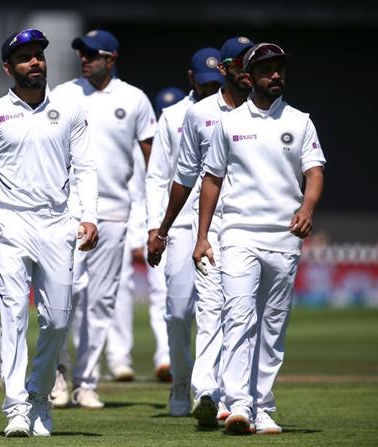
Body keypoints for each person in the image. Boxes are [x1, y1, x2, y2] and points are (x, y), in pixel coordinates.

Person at [0, 28, 98, 436]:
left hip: (57, 221)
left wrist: (89, 216)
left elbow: (84, 167)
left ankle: (39, 395)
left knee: (56, 320)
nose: (35, 62)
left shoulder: (69, 110)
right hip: (12, 221)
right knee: (13, 315)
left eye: (39, 56)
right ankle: (18, 406)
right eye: (25, 57)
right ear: (8, 68)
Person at [192, 42, 325, 434]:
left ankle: (263, 406)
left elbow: (314, 172)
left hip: (284, 237)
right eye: (267, 69)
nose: (276, 75)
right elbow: (211, 180)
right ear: (249, 77)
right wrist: (202, 236)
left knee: (272, 325)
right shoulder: (229, 125)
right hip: (238, 235)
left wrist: (307, 210)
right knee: (238, 316)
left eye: (279, 68)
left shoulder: (300, 121)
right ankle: (238, 405)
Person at [147, 37, 254, 426]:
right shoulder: (176, 116)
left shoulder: (256, 113)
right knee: (178, 311)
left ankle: (214, 392)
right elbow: (160, 176)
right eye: (205, 82)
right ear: (193, 78)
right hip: (183, 224)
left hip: (234, 224)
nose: (210, 88)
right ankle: (180, 382)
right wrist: (156, 229)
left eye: (215, 82)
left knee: (226, 310)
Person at [51, 29, 155, 409]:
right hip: (69, 211)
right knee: (64, 295)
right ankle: (59, 373)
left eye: (92, 54)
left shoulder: (134, 99)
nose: (84, 58)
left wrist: (153, 217)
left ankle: (87, 382)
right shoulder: (62, 95)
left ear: (111, 58)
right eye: (81, 52)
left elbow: (152, 163)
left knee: (101, 302)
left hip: (113, 212)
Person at [103, 86, 185, 384]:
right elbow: (139, 192)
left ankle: (179, 361)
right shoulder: (144, 148)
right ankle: (135, 358)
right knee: (135, 291)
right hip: (148, 224)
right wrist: (143, 232)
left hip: (187, 226)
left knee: (183, 298)